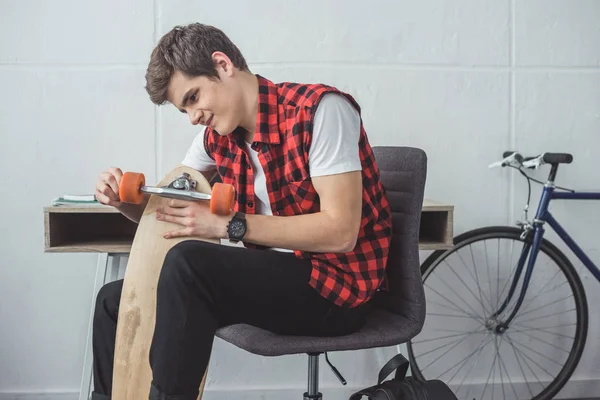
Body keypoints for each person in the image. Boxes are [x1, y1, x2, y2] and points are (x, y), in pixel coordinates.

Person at [92, 22, 392, 400]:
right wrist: (125, 204)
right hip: (275, 280)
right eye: (183, 109)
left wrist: (231, 225)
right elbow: (172, 215)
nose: (193, 117)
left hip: (336, 291)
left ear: (222, 65)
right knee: (114, 301)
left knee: (191, 264)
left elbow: (340, 232)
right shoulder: (216, 137)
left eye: (193, 98)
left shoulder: (321, 111)